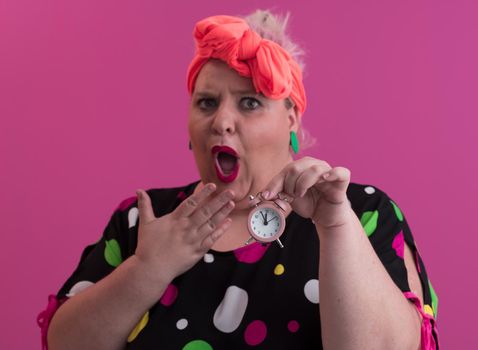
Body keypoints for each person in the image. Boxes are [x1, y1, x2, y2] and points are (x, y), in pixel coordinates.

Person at [37, 10, 439, 350]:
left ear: (291, 119)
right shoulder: (143, 221)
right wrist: (147, 268)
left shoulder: (360, 212)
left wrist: (335, 226)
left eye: (250, 102)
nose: (221, 122)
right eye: (207, 102)